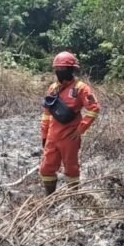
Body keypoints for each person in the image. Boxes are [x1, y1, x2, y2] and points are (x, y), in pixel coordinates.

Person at [39, 52, 100, 194]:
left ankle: (73, 197)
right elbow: (46, 114)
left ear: (71, 70)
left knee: (71, 168)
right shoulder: (53, 88)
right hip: (52, 136)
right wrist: (44, 135)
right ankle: (50, 197)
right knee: (46, 168)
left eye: (63, 69)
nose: (60, 72)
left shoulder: (81, 88)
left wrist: (80, 129)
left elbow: (94, 108)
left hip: (70, 136)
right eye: (58, 69)